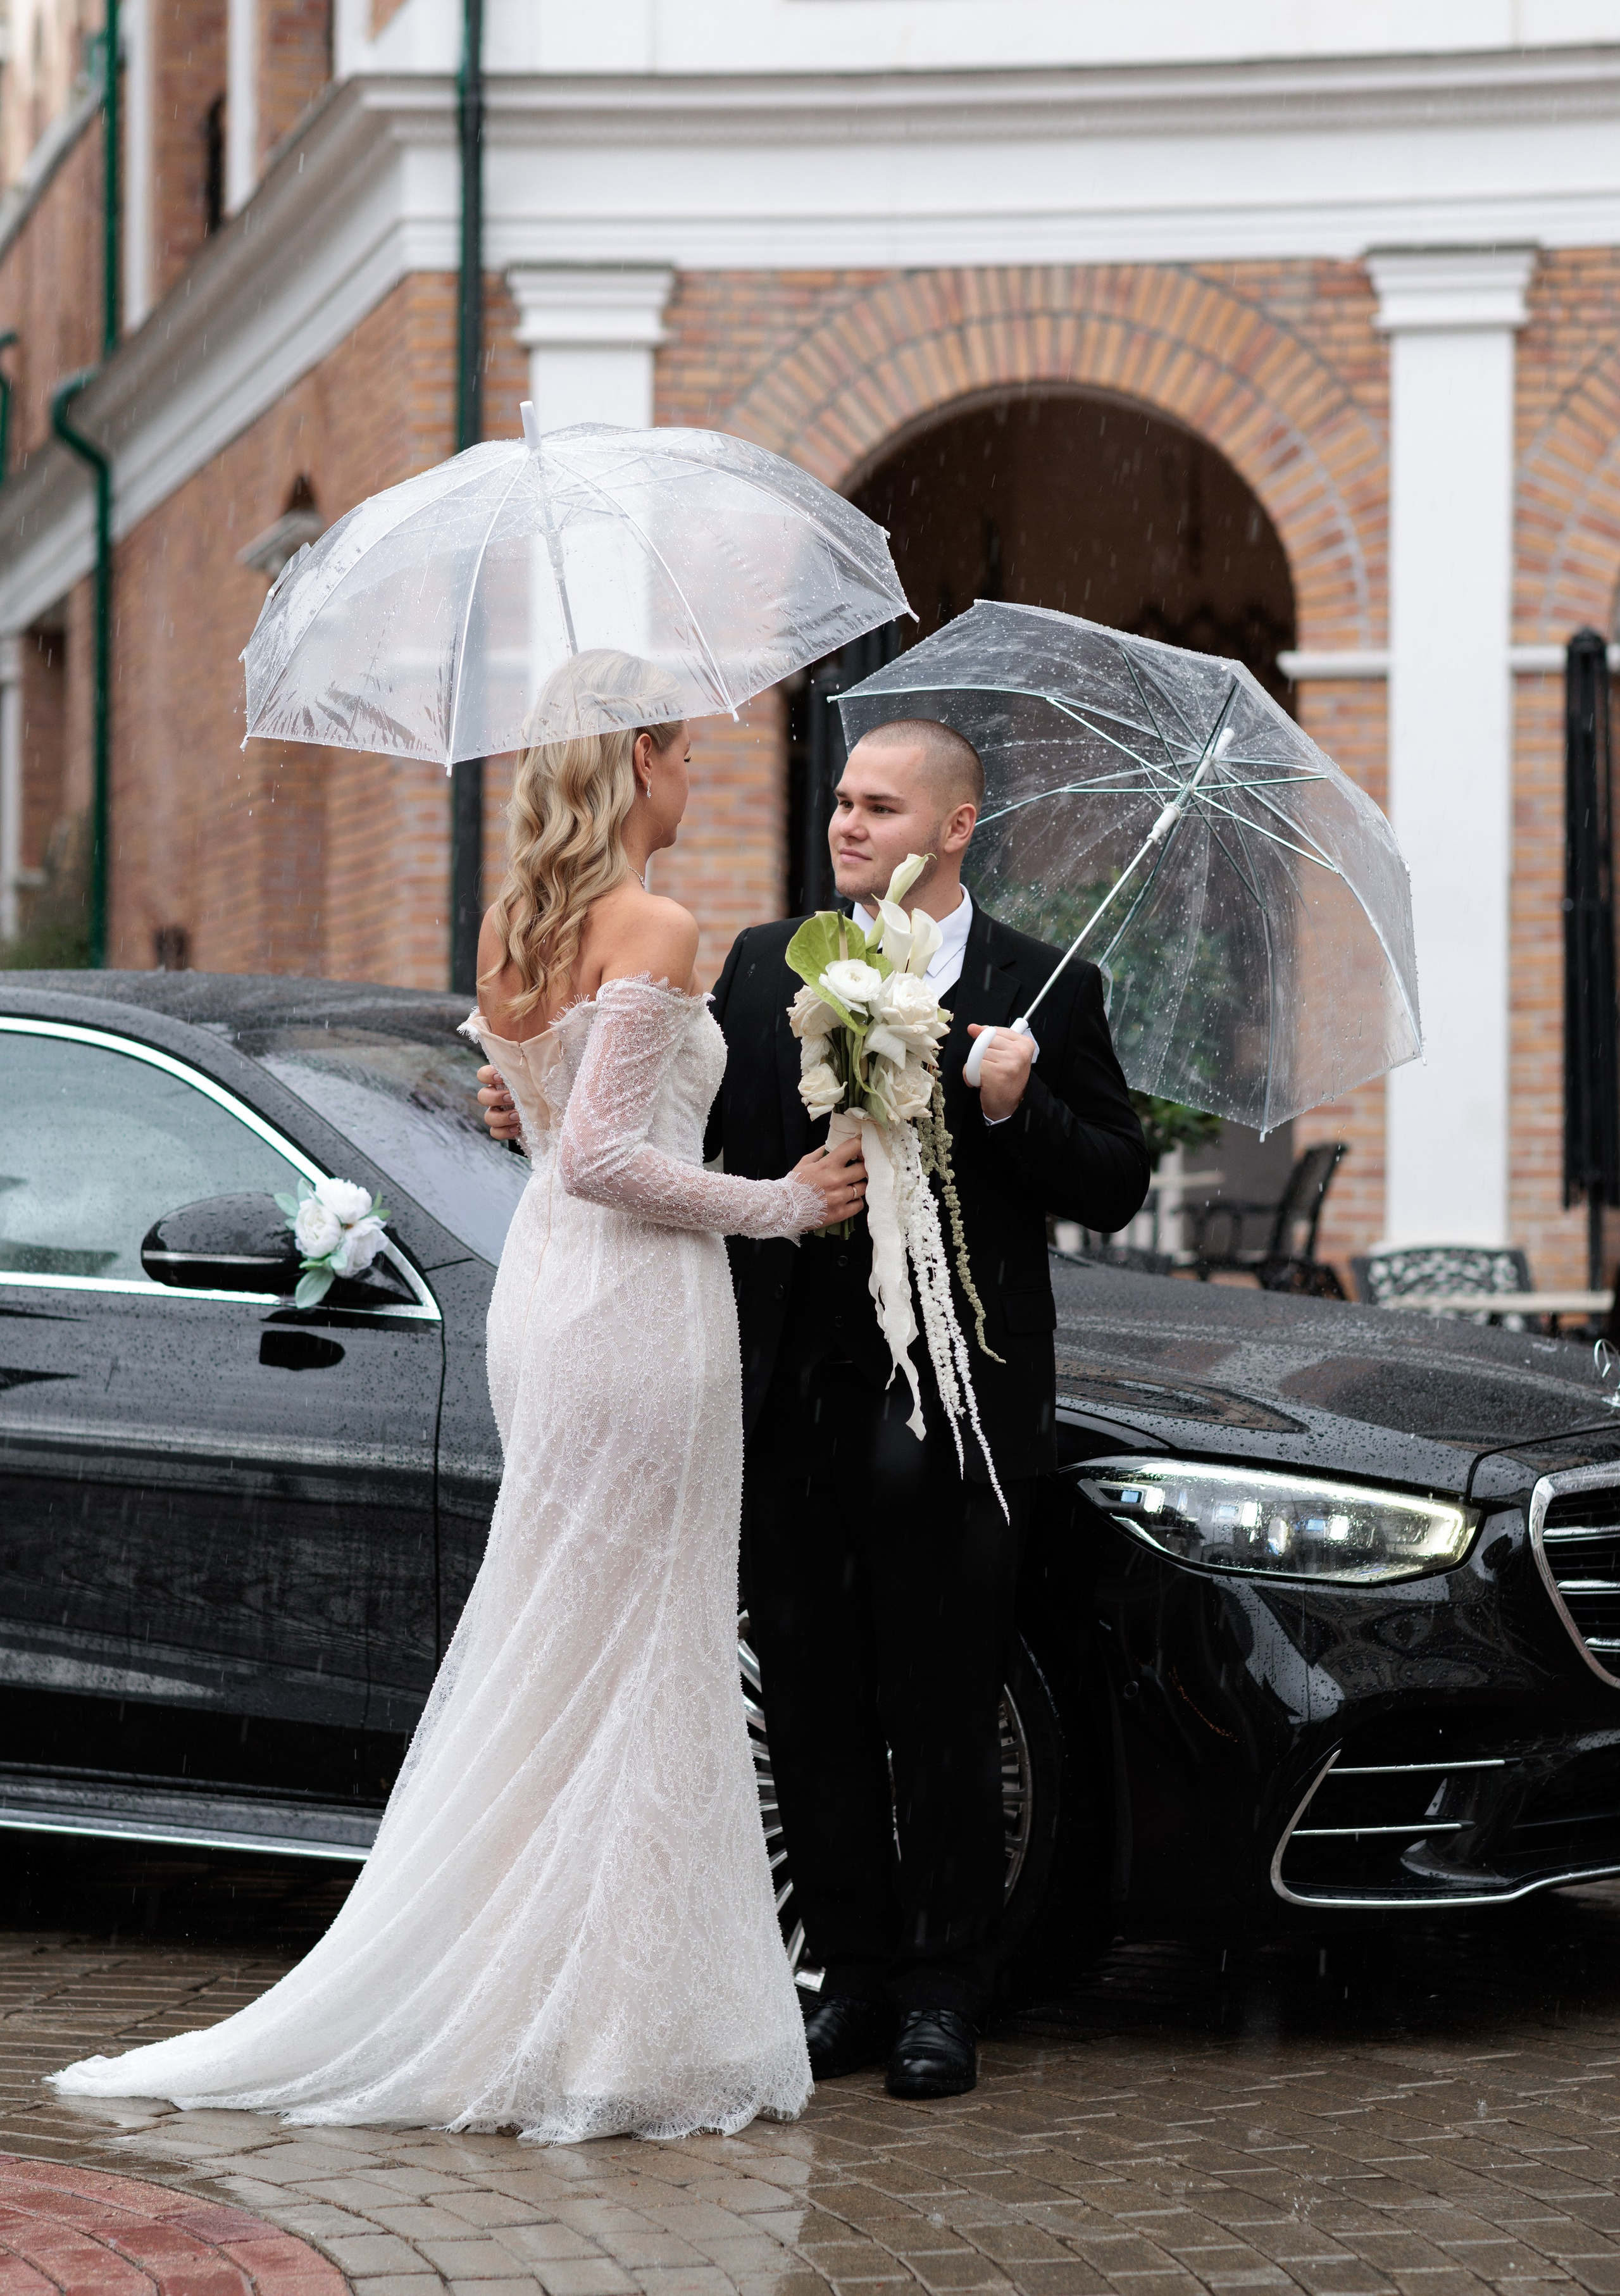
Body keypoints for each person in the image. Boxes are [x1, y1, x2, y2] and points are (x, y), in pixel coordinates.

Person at [51, 649, 866, 2143]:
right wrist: (787, 1200)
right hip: (635, 1300)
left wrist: (524, 1097)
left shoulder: (514, 924)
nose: (695, 778)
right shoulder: (657, 923)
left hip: (554, 1297)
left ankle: (596, 2002)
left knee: (587, 1634)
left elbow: (546, 1121)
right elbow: (611, 1158)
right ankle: (609, 2025)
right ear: (633, 760)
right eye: (682, 752)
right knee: (638, 1640)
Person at [483, 714, 1150, 2102]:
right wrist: (530, 1110)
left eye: (881, 806)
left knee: (945, 1698)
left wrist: (1021, 1107)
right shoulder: (755, 960)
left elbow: (1112, 1183)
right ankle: (844, 1980)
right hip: (781, 1383)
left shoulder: (1043, 989)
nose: (848, 824)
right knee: (808, 1695)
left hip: (954, 1402)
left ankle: (942, 1992)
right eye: (842, 802)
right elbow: (671, 1135)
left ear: (954, 827)